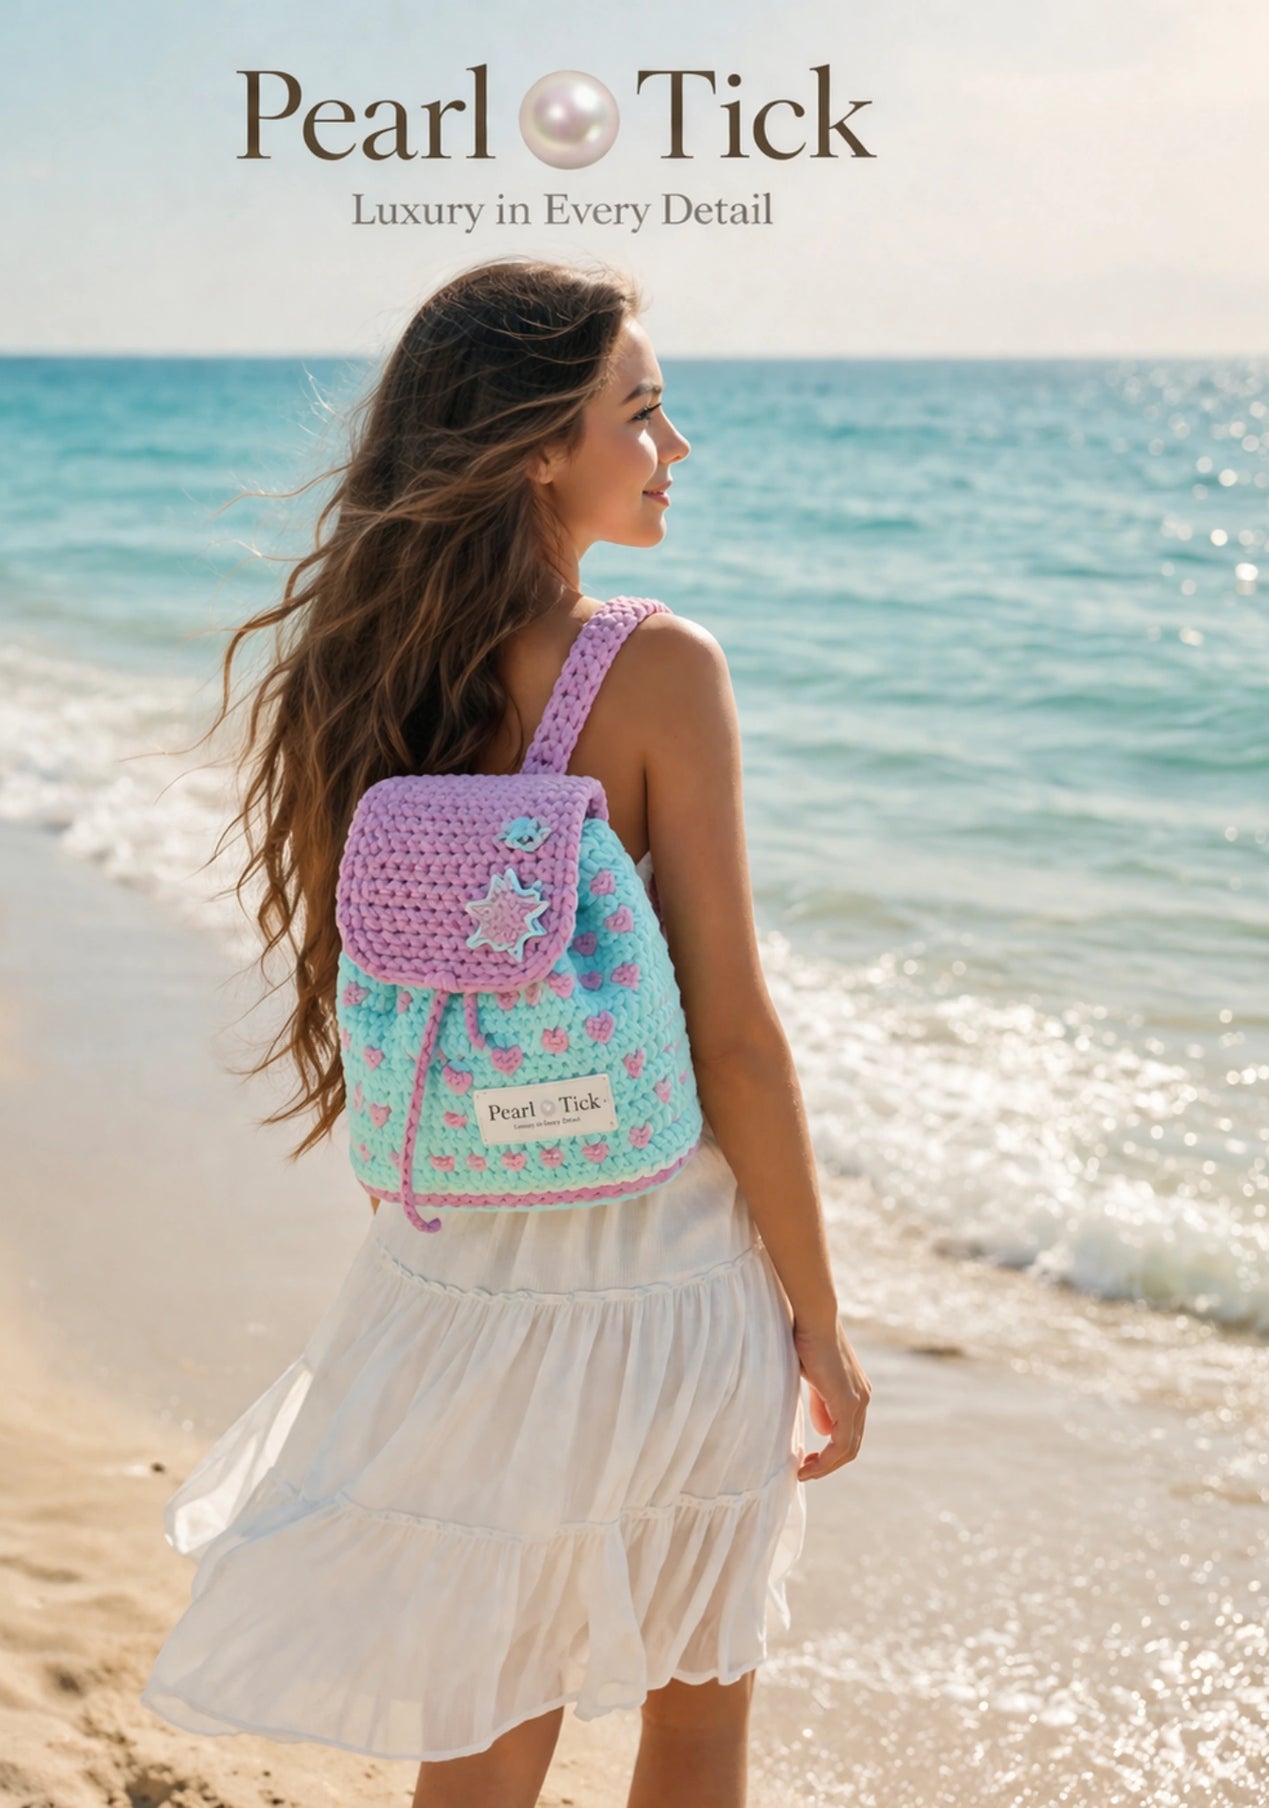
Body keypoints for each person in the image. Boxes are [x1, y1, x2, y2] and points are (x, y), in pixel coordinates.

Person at [140, 254, 871, 1808]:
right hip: (664, 1267)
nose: (676, 450)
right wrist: (816, 1312)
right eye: (644, 413)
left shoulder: (362, 669)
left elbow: (392, 987)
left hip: (452, 1264)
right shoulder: (659, 668)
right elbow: (732, 1032)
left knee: (482, 1714)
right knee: (691, 1707)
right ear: (541, 443)